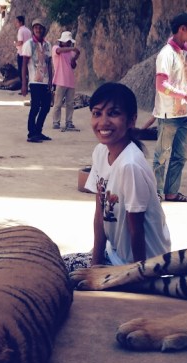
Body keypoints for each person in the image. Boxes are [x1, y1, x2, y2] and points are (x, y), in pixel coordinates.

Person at [63, 82, 171, 272]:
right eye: (97, 113)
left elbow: (136, 230)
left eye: (113, 113)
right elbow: (100, 214)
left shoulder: (129, 165)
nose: (103, 122)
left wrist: (137, 277)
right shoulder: (100, 152)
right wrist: (95, 264)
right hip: (113, 253)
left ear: (131, 120)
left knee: (63, 274)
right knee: (57, 265)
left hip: (140, 263)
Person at [151, 12, 187, 203]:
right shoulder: (166, 54)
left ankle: (171, 192)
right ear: (182, 29)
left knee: (180, 156)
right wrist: (184, 97)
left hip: (183, 113)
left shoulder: (184, 55)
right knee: (162, 155)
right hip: (169, 113)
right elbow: (161, 85)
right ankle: (156, 193)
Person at [20, 18, 52, 143]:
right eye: (35, 27)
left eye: (40, 27)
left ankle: (38, 131)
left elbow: (49, 64)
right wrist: (24, 83)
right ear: (33, 29)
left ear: (43, 29)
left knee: (46, 107)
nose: (38, 29)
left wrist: (51, 80)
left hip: (45, 81)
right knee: (35, 107)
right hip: (34, 81)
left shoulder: (47, 44)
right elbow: (24, 65)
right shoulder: (28, 44)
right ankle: (31, 133)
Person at [51, 30, 80, 132]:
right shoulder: (56, 49)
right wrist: (73, 49)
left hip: (70, 81)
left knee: (70, 104)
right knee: (58, 103)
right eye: (66, 41)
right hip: (60, 80)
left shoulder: (70, 53)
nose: (68, 43)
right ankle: (56, 122)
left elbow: (73, 65)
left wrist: (76, 56)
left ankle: (69, 122)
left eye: (69, 42)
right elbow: (59, 51)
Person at [14, 15, 31, 81]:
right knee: (27, 70)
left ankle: (23, 85)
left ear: (20, 22)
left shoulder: (20, 30)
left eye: (17, 22)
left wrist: (15, 44)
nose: (15, 24)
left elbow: (20, 42)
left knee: (21, 70)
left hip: (21, 53)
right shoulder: (28, 30)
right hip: (28, 52)